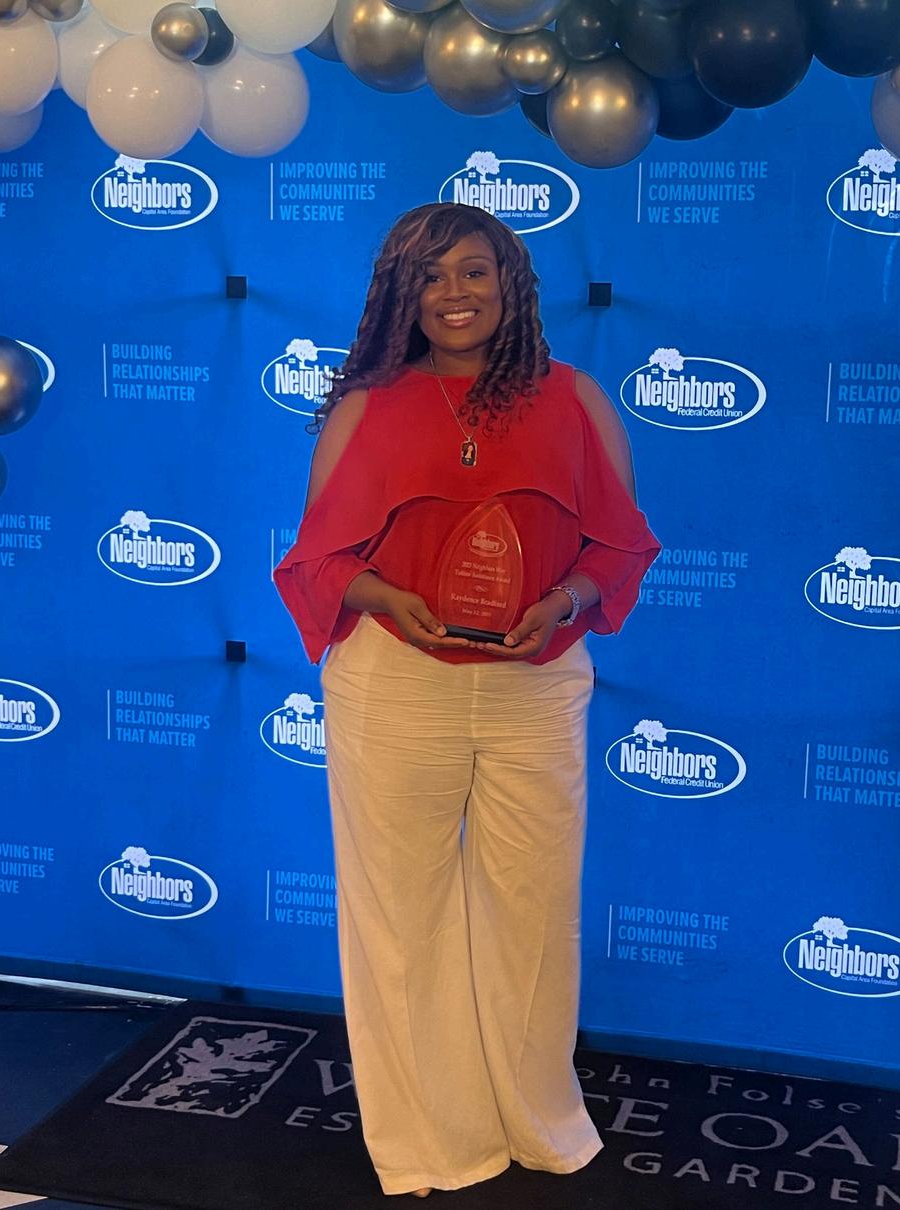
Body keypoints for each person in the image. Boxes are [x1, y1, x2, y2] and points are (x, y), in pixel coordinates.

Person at [272, 201, 662, 1198]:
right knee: (400, 915)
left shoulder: (574, 398)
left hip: (536, 683)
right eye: (431, 276)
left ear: (510, 285)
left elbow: (618, 547)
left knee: (532, 909)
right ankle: (430, 1142)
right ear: (401, 295)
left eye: (474, 272)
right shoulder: (365, 406)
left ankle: (538, 1122)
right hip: (394, 681)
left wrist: (563, 601)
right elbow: (319, 558)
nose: (454, 293)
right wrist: (384, 596)